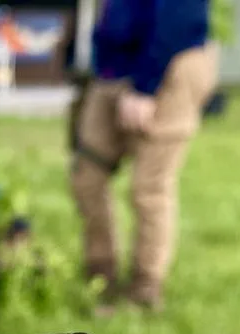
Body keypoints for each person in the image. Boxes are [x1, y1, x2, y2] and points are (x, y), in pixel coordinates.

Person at [70, 0, 219, 312]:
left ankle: (144, 288)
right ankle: (101, 274)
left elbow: (181, 15)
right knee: (87, 177)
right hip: (113, 70)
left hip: (169, 65)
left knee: (148, 188)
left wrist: (145, 87)